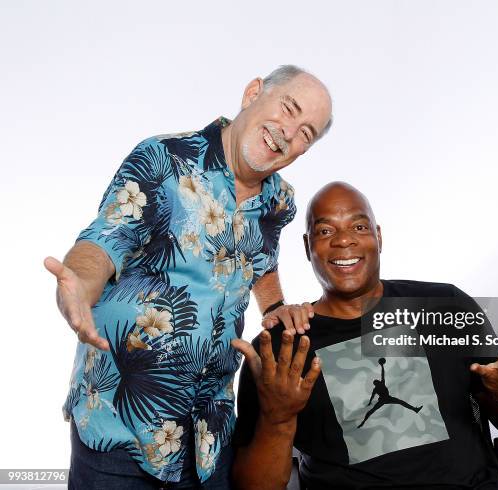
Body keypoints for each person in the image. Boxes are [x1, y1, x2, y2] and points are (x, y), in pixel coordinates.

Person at [43, 65, 333, 489]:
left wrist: (273, 306)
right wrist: (78, 286)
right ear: (253, 93)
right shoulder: (161, 159)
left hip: (209, 437)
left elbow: (262, 260)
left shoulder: (280, 202)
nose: (289, 132)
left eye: (306, 132)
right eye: (289, 109)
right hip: (121, 431)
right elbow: (106, 240)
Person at [231, 182, 498, 490]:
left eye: (358, 227)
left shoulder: (446, 308)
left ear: (378, 237)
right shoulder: (279, 348)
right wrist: (277, 419)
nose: (344, 241)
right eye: (325, 231)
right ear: (307, 246)